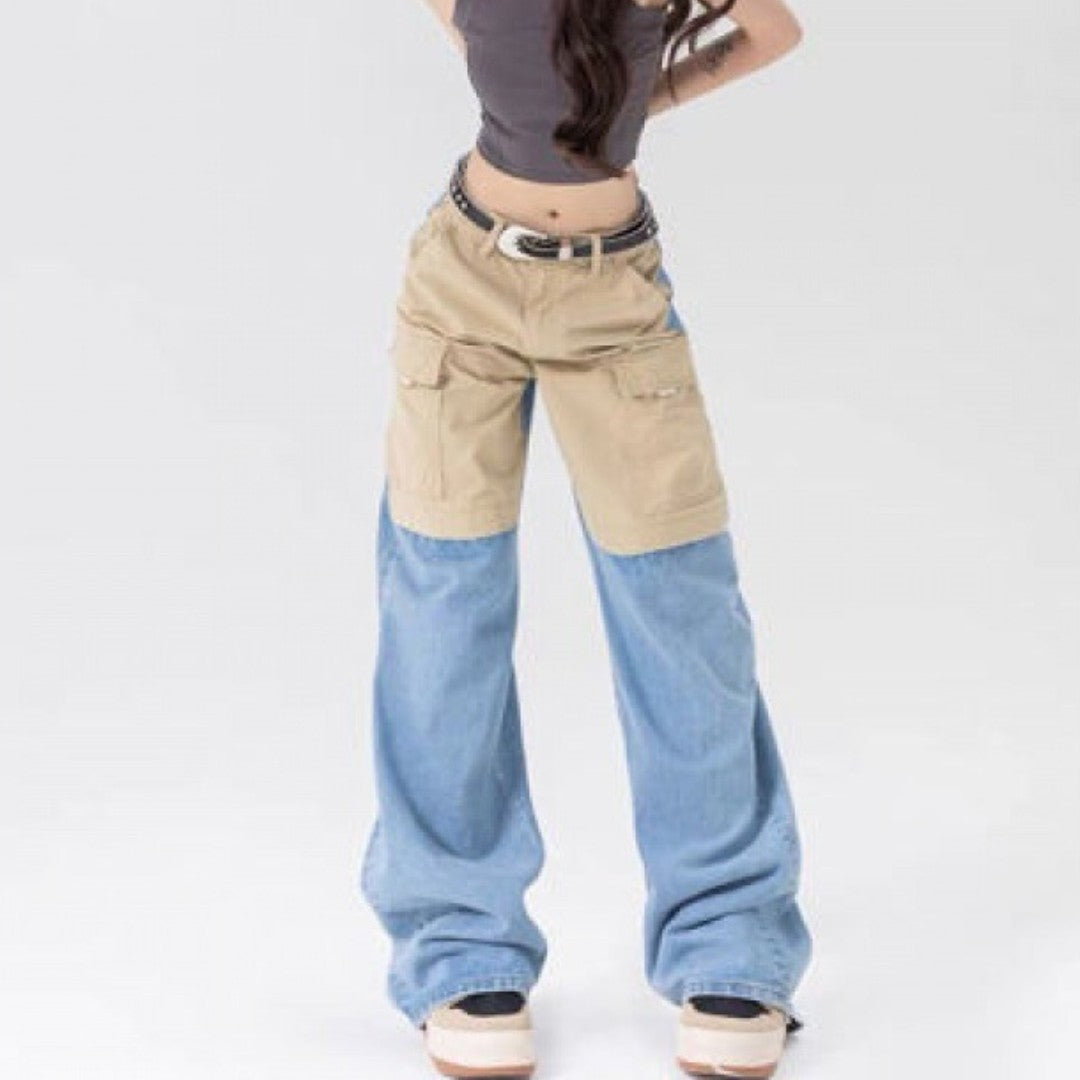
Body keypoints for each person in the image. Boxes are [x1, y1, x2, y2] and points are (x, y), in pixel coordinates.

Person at [359, 2, 810, 1076]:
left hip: (614, 298)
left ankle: (728, 948)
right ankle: (460, 951)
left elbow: (770, 29)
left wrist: (636, 101)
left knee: (682, 613)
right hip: (462, 285)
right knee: (444, 607)